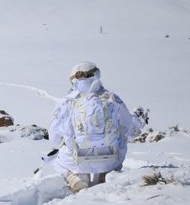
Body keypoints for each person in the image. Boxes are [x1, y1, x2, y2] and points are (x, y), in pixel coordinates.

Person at [47, 62, 147, 193]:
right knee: (120, 140)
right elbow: (127, 127)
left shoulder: (66, 102)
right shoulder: (112, 98)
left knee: (57, 160)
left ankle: (76, 176)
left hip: (77, 160)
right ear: (97, 75)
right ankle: (105, 173)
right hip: (111, 157)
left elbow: (54, 139)